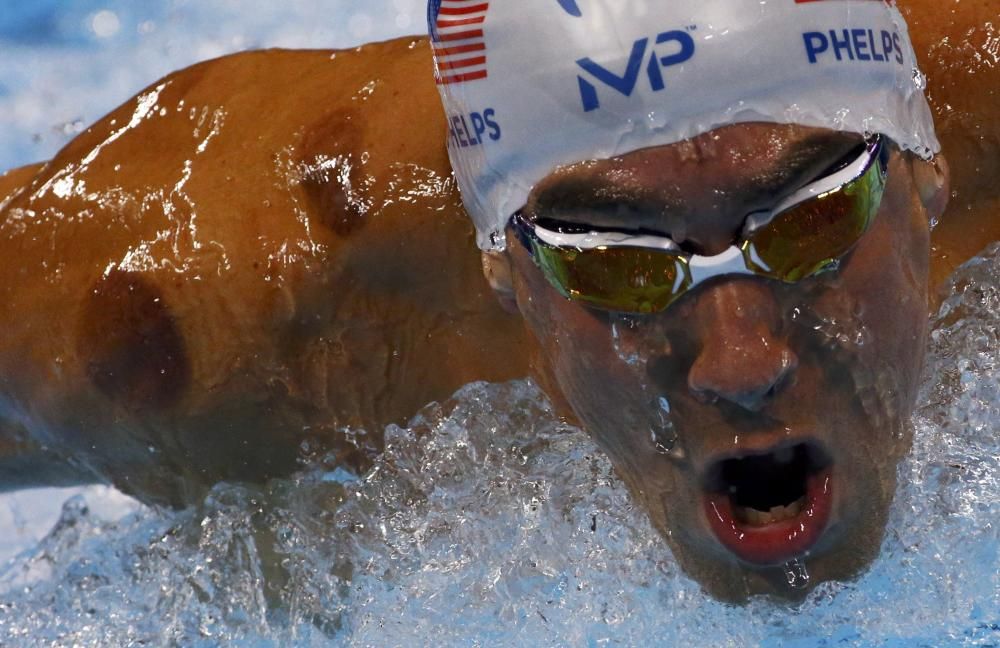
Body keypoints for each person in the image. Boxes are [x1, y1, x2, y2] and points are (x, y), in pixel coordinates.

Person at [0, 0, 994, 601]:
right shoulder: (209, 318)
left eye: (809, 224)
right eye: (614, 263)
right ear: (503, 268)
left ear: (925, 182)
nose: (739, 363)